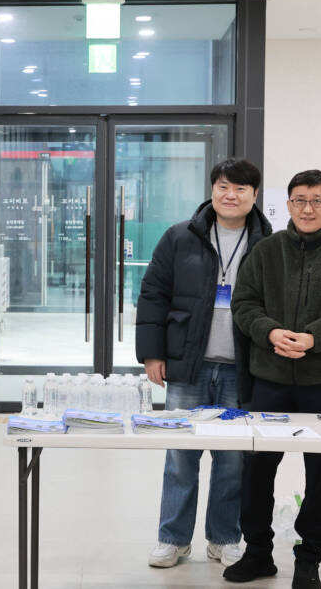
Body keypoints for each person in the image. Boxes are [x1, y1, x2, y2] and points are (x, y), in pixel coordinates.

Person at [225, 170, 321, 588]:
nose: (308, 209)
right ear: (288, 204)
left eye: (317, 201)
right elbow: (244, 303)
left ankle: (309, 558)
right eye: (300, 200)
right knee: (258, 467)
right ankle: (258, 552)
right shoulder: (266, 251)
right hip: (270, 379)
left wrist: (314, 338)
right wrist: (270, 332)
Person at [136, 158, 272, 569]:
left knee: (232, 460)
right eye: (223, 186)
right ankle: (173, 539)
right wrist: (153, 353)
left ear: (254, 195)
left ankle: (224, 538)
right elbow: (154, 294)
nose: (231, 195)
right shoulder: (181, 236)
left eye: (240, 189)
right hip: (188, 365)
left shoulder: (268, 243)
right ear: (212, 189)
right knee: (181, 456)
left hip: (239, 369)